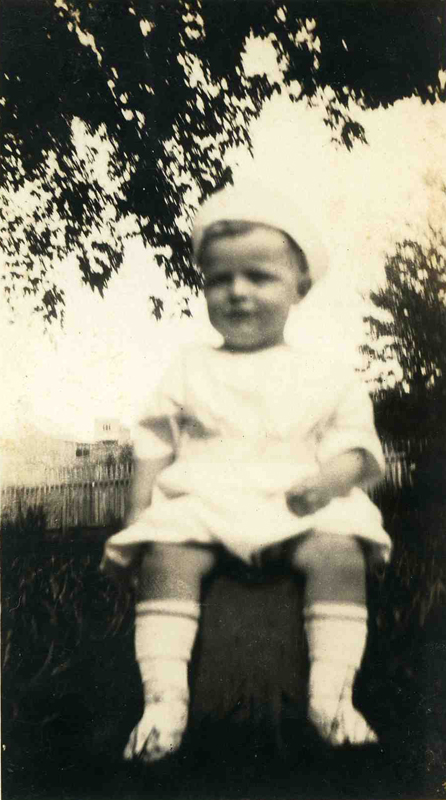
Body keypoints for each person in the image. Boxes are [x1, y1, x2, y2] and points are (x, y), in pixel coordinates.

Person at [101, 181, 391, 763]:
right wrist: (140, 508)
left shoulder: (325, 372)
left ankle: (332, 695)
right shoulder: (190, 367)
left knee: (337, 552)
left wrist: (329, 480)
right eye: (218, 280)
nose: (236, 293)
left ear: (299, 287)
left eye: (258, 277)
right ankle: (163, 700)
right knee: (168, 556)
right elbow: (155, 438)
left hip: (294, 501)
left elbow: (357, 447)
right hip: (205, 496)